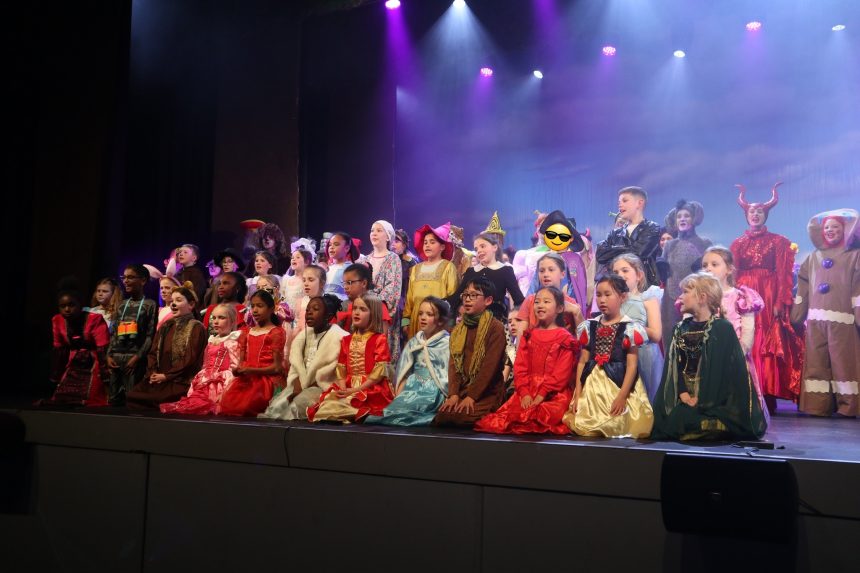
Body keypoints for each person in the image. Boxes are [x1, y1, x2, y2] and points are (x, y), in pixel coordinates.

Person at [652, 272, 768, 440]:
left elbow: (725, 373)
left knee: (707, 423)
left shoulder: (721, 328)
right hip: (687, 396)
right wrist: (683, 394)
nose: (680, 297)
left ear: (702, 298)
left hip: (715, 399)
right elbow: (677, 365)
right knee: (677, 419)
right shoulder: (680, 329)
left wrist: (702, 399)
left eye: (685, 292)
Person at [730, 183, 804, 412]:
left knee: (767, 340)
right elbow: (733, 275)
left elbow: (783, 273)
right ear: (746, 215)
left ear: (765, 215)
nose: (755, 214)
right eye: (752, 211)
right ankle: (748, 388)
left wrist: (781, 301)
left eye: (760, 211)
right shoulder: (737, 244)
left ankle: (768, 390)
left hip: (769, 294)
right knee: (747, 336)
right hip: (745, 293)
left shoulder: (779, 241)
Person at [475, 286, 576, 435]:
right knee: (513, 416)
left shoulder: (565, 338)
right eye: (537, 302)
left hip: (552, 394)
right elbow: (520, 366)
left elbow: (561, 373)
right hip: (527, 390)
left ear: (560, 308)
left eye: (546, 301)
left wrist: (542, 394)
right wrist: (524, 392)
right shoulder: (529, 335)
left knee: (542, 416)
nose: (540, 305)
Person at [563, 275, 653, 438]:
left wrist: (622, 396)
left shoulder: (630, 328)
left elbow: (632, 365)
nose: (602, 300)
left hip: (618, 383)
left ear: (622, 297)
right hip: (592, 386)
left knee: (618, 420)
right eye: (598, 295)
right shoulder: (589, 326)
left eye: (607, 294)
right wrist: (578, 394)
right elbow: (583, 361)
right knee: (585, 423)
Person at [791, 209, 860, 417]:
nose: (830, 230)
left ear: (845, 230)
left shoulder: (855, 256)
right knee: (816, 363)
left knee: (843, 363)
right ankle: (817, 404)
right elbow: (803, 286)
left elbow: (858, 288)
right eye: (827, 227)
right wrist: (798, 313)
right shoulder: (813, 257)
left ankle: (848, 405)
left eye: (835, 227)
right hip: (816, 321)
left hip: (843, 320)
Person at [701, 246, 768, 418]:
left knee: (734, 397)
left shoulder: (741, 297)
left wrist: (735, 355)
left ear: (729, 270)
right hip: (706, 358)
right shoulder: (700, 298)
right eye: (705, 265)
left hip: (734, 358)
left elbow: (748, 333)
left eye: (714, 264)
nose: (708, 268)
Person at [259, 294, 348, 420]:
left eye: (315, 309)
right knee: (277, 406)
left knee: (296, 406)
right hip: (300, 384)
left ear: (328, 316)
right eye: (308, 309)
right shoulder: (302, 336)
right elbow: (296, 366)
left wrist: (305, 388)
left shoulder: (339, 338)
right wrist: (297, 384)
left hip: (322, 387)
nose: (309, 312)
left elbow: (332, 374)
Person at [366, 297, 451, 426]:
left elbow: (447, 373)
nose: (423, 318)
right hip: (412, 386)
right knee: (396, 410)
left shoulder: (446, 343)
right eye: (420, 313)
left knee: (418, 408)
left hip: (433, 389)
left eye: (429, 314)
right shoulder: (414, 342)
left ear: (440, 321)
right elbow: (404, 370)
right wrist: (398, 394)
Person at [307, 295, 393, 423]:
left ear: (373, 315)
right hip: (348, 386)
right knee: (328, 403)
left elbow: (379, 373)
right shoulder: (346, 340)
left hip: (369, 387)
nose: (356, 312)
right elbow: (341, 367)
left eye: (363, 309)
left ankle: (353, 413)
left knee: (354, 404)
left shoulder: (379, 339)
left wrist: (355, 390)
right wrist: (343, 389)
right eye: (355, 308)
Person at [434, 277, 507, 427]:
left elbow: (489, 368)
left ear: (488, 300)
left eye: (473, 295)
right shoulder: (458, 329)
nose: (467, 299)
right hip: (463, 390)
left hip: (487, 392)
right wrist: (454, 395)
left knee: (461, 418)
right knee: (442, 416)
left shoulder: (495, 328)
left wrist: (472, 396)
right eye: (466, 295)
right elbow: (454, 365)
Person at [126, 283, 207, 409]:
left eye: (178, 300)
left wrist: (167, 376)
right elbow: (153, 352)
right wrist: (153, 373)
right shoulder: (166, 325)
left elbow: (189, 358)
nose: (173, 304)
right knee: (132, 396)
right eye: (172, 300)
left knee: (159, 400)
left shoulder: (196, 327)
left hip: (180, 380)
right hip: (160, 378)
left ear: (191, 305)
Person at [160, 303, 241, 415]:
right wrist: (202, 376)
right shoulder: (211, 341)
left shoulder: (232, 343)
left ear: (232, 321)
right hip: (205, 380)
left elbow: (235, 367)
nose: (216, 321)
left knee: (211, 406)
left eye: (221, 318)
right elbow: (205, 364)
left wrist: (223, 378)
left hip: (221, 382)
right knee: (194, 403)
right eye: (214, 318)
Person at [219, 290, 287, 416]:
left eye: (260, 306)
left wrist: (252, 370)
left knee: (248, 405)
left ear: (271, 309)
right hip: (247, 380)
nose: (255, 310)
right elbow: (242, 363)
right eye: (253, 306)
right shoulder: (247, 332)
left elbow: (277, 367)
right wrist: (238, 370)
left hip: (266, 381)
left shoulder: (275, 332)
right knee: (230, 405)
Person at [46, 278, 109, 406]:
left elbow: (102, 348)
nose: (67, 309)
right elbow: (59, 350)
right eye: (63, 306)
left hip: (94, 363)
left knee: (92, 400)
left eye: (71, 305)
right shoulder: (57, 320)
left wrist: (106, 376)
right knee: (60, 398)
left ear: (81, 305)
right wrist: (56, 376)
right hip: (73, 363)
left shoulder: (94, 319)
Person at [658, 200, 712, 350]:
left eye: (686, 216)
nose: (682, 219)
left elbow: (709, 275)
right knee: (671, 341)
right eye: (679, 216)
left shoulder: (705, 243)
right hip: (671, 299)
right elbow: (664, 276)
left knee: (695, 341)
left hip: (696, 297)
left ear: (694, 218)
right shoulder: (670, 245)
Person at [611, 254, 664, 401]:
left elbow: (656, 335)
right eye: (615, 272)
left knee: (645, 398)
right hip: (619, 356)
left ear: (639, 276)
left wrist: (628, 324)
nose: (620, 275)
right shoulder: (613, 303)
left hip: (644, 357)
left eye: (625, 270)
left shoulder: (648, 300)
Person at [106, 264, 158, 406]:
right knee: (113, 399)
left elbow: (150, 336)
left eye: (130, 277)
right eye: (124, 277)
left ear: (143, 280)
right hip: (116, 358)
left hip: (134, 359)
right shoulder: (122, 305)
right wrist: (109, 355)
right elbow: (114, 333)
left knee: (131, 398)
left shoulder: (150, 305)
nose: (126, 281)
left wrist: (138, 357)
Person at [595, 186, 662, 287]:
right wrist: (629, 248)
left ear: (640, 203)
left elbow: (639, 252)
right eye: (619, 202)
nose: (620, 204)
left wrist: (612, 250)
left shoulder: (652, 228)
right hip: (618, 287)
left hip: (644, 288)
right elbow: (601, 255)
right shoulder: (615, 233)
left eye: (625, 201)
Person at [448, 233, 524, 321]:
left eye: (482, 246)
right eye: (476, 249)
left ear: (495, 247)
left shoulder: (505, 271)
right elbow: (456, 297)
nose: (479, 250)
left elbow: (518, 299)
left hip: (495, 321)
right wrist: (437, 302)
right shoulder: (471, 272)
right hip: (472, 322)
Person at [402, 222, 459, 340]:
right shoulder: (415, 269)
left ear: (442, 247)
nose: (427, 245)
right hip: (416, 320)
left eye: (432, 242)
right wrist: (405, 321)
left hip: (438, 322)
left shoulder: (448, 267)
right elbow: (409, 298)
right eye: (425, 242)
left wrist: (450, 324)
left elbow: (453, 297)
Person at [517, 253, 583, 333]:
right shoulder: (530, 301)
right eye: (541, 271)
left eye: (551, 270)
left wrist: (576, 312)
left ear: (562, 274)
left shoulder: (571, 303)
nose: (545, 274)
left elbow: (582, 337)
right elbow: (521, 334)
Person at [324, 231, 360, 300]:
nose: (331, 247)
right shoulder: (328, 268)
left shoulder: (350, 269)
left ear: (347, 248)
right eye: (330, 245)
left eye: (336, 244)